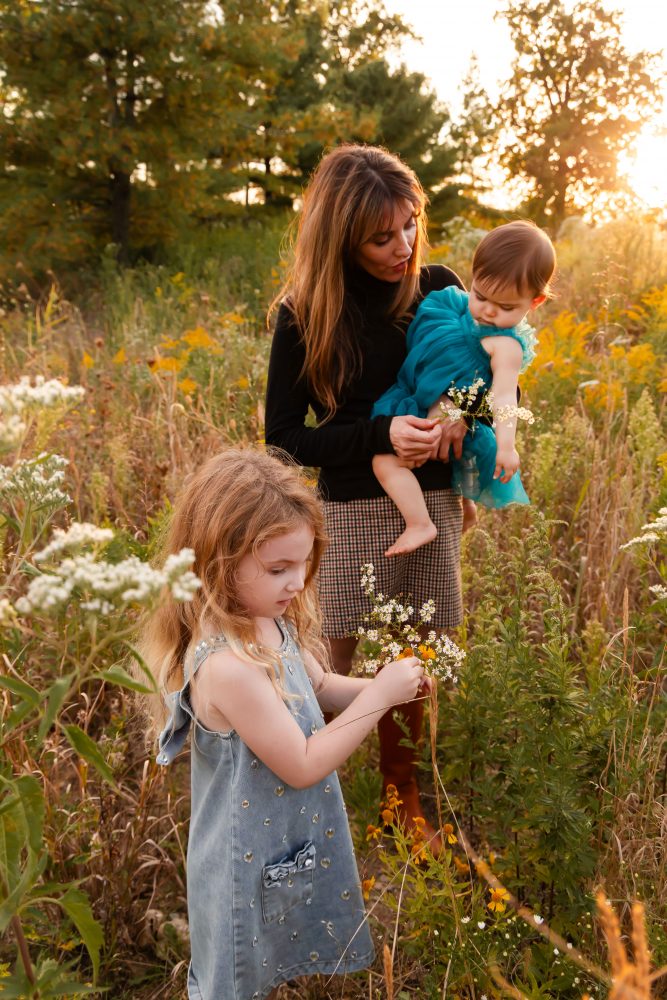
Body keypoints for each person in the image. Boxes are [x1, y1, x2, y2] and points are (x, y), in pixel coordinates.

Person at [141, 448, 429, 1000]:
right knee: (234, 979)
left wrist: (387, 688)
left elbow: (318, 688)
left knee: (267, 967)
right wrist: (382, 698)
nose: (297, 582)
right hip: (239, 865)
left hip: (276, 846)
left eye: (304, 563)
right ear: (218, 563)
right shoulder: (228, 667)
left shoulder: (269, 623)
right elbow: (302, 764)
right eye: (278, 569)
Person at [265, 144, 467, 852]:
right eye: (381, 237)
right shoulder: (304, 314)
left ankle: (400, 797)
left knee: (415, 662)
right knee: (325, 664)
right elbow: (284, 436)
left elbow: (479, 370)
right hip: (351, 507)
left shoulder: (437, 291)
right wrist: (381, 432)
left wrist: (459, 417)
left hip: (431, 503)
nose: (403, 247)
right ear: (339, 238)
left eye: (410, 225)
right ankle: (293, 796)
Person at [372, 220, 556, 556]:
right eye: (481, 295)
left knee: (385, 462)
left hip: (453, 417)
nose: (487, 311)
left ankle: (419, 523)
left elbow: (503, 397)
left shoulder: (505, 346)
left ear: (535, 302)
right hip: (415, 397)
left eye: (505, 307)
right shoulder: (450, 303)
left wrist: (506, 446)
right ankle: (466, 509)